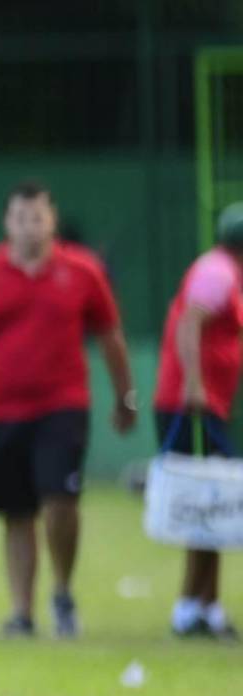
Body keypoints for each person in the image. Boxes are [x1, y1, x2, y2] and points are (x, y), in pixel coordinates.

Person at [0, 181, 136, 639]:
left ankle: (63, 591)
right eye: (21, 218)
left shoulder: (83, 271)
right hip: (0, 411)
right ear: (7, 222)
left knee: (60, 503)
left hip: (62, 407)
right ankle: (22, 611)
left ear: (52, 220)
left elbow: (111, 338)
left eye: (38, 217)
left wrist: (126, 396)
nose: (30, 227)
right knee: (16, 511)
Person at [153, 202, 243, 639]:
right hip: (191, 404)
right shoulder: (219, 272)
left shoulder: (228, 271)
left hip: (208, 403)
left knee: (216, 507)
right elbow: (189, 324)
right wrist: (193, 383)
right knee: (203, 507)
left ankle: (207, 607)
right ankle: (188, 608)